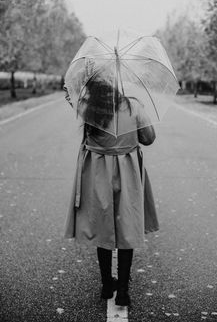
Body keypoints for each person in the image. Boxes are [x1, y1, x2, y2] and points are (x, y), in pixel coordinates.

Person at [64, 78, 159, 306]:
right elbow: (149, 138)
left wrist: (72, 91)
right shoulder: (133, 106)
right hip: (127, 174)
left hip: (98, 175)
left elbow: (72, 98)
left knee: (103, 229)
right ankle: (124, 291)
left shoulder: (88, 108)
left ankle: (107, 285)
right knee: (127, 230)